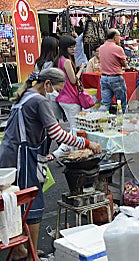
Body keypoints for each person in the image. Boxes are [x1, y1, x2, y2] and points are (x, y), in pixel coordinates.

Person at [0, 68, 101, 261]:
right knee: (33, 203)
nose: (56, 93)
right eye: (57, 88)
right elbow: (57, 134)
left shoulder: (27, 95)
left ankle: (24, 249)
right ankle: (31, 256)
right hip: (23, 157)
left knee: (17, 202)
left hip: (13, 155)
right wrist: (88, 143)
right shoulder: (39, 100)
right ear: (46, 84)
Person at [56, 35, 86, 130]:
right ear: (65, 48)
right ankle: (67, 145)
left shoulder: (59, 60)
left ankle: (68, 144)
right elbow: (73, 80)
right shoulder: (67, 61)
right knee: (76, 128)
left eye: (74, 46)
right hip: (71, 97)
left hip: (63, 97)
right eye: (70, 47)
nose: (74, 49)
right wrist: (81, 69)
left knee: (73, 127)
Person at [99, 29, 127, 112]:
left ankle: (102, 120)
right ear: (115, 38)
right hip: (115, 77)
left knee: (105, 103)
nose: (120, 39)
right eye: (119, 37)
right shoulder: (118, 49)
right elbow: (124, 64)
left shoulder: (101, 48)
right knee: (121, 103)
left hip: (104, 77)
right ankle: (122, 120)